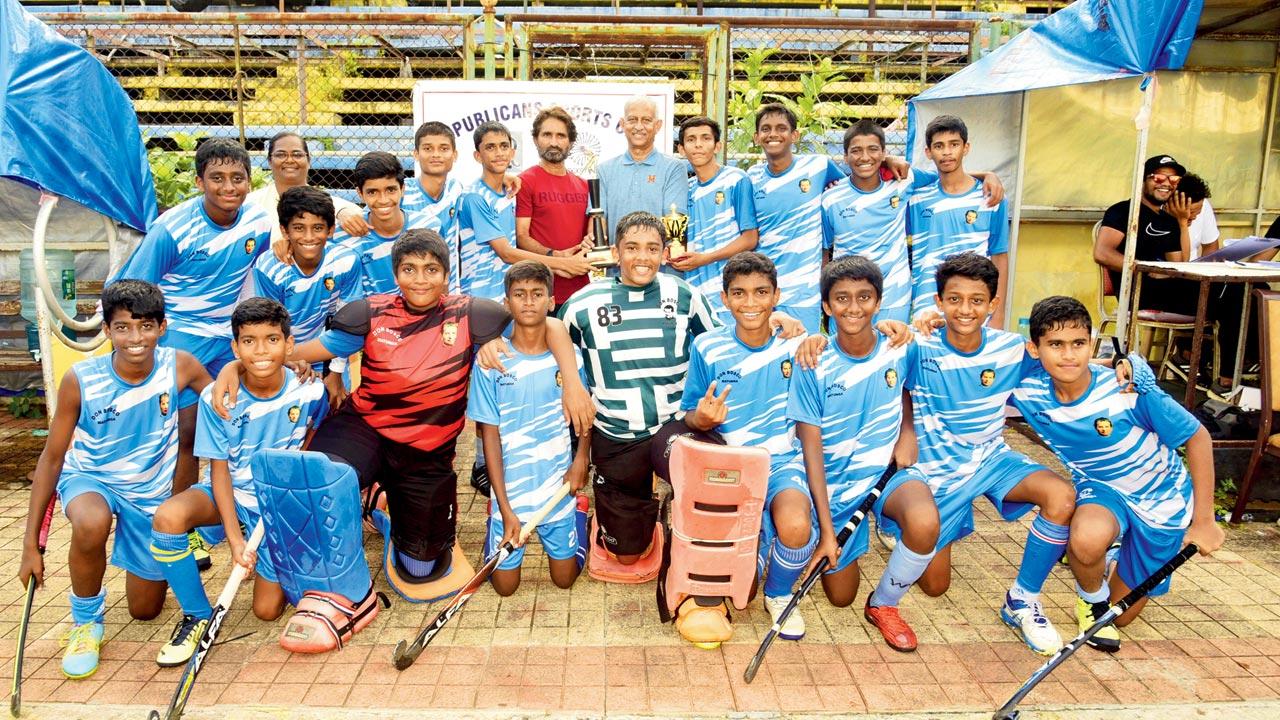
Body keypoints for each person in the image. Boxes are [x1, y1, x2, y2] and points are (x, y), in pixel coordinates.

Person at [213, 230, 591, 602]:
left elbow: (548, 324)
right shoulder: (371, 312)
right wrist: (236, 367)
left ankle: (381, 502)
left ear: (446, 275)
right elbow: (310, 350)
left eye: (431, 269)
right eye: (409, 269)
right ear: (396, 275)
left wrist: (572, 382)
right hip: (365, 429)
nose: (420, 279)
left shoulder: (472, 314)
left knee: (422, 568)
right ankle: (348, 552)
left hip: (427, 449)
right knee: (320, 480)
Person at [18, 281, 211, 679]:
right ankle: (86, 623)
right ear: (106, 330)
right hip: (91, 479)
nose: (135, 338)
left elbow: (228, 393)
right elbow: (52, 458)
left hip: (150, 496)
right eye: (122, 327)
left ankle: (143, 570)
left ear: (162, 326)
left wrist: (292, 369)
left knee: (145, 610)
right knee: (91, 522)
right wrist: (29, 545)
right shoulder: (81, 379)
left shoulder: (181, 365)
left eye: (145, 326)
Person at [1011, 296, 1224, 652]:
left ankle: (1111, 558)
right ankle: (1090, 597)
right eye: (1055, 345)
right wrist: (935, 322)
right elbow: (975, 347)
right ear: (1035, 348)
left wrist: (1203, 520)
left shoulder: (1128, 389)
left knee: (1121, 614)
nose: (1068, 355)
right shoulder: (1027, 388)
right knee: (1086, 540)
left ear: (1092, 344)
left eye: (1078, 344)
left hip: (1163, 503)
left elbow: (1198, 437)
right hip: (1103, 490)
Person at [904, 253, 1076, 657]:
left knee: (1061, 496)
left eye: (977, 300)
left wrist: (1124, 368)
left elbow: (1068, 365)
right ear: (939, 301)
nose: (966, 309)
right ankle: (910, 524)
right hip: (939, 472)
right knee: (934, 587)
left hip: (993, 459)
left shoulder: (1011, 350)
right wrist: (906, 433)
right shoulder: (919, 346)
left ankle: (1023, 598)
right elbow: (895, 386)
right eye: (955, 299)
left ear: (993, 304)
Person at [111, 137, 272, 566]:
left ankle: (222, 522)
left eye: (237, 178)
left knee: (239, 429)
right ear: (200, 181)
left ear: (249, 181)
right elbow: (134, 291)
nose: (228, 187)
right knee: (187, 436)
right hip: (180, 340)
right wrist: (139, 348)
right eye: (216, 178)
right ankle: (179, 528)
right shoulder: (173, 228)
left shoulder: (258, 221)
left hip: (229, 341)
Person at [150, 298, 327, 667]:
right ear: (235, 347)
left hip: (276, 506)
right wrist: (236, 540)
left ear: (289, 344)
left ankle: (271, 554)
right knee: (168, 518)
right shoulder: (218, 398)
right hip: (228, 492)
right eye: (248, 341)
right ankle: (197, 616)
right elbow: (219, 471)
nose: (261, 350)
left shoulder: (310, 390)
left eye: (272, 340)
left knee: (265, 610)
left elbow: (317, 437)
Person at [788, 255, 940, 652]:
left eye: (864, 297)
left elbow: (907, 386)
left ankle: (885, 604)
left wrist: (907, 431)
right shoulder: (812, 361)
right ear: (826, 307)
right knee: (840, 596)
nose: (853, 308)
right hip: (836, 486)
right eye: (842, 299)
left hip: (888, 474)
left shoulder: (899, 347)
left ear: (879, 302)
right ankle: (835, 544)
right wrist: (824, 528)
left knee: (924, 523)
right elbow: (810, 449)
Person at [557, 212, 719, 570]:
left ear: (664, 253)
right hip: (617, 432)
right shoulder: (584, 303)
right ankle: (624, 514)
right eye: (632, 247)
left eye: (651, 248)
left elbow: (724, 345)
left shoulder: (685, 296)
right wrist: (571, 384)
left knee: (706, 494)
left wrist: (775, 321)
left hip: (674, 427)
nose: (642, 257)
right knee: (629, 556)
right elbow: (548, 339)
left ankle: (674, 503)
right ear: (616, 252)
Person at [678, 252, 815, 638]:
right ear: (724, 298)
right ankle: (751, 546)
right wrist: (702, 420)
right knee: (727, 571)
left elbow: (832, 345)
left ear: (776, 296)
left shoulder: (796, 345)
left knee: (795, 524)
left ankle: (780, 594)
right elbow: (689, 413)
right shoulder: (707, 346)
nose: (750, 303)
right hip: (728, 466)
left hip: (781, 462)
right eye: (739, 293)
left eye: (761, 293)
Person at [468, 261, 591, 596]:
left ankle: (580, 516)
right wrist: (505, 508)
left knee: (564, 580)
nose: (529, 302)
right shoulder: (491, 363)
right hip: (511, 493)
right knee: (505, 588)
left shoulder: (569, 359)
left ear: (551, 301)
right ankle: (492, 525)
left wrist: (581, 461)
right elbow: (489, 436)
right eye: (519, 295)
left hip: (557, 489)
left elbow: (585, 416)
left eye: (538, 294)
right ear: (507, 302)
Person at [823, 120, 1005, 325]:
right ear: (845, 156)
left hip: (895, 296)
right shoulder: (831, 198)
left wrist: (988, 175)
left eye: (873, 150)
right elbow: (822, 253)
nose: (865, 156)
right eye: (856, 151)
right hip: (848, 297)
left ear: (883, 153)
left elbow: (948, 174)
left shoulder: (904, 182)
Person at [250, 186, 362, 411]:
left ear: (330, 230)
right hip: (282, 357)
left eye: (318, 228)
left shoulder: (346, 261)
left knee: (333, 414)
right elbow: (268, 329)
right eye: (299, 228)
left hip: (331, 355)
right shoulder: (269, 268)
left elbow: (347, 327)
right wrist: (288, 363)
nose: (309, 237)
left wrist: (335, 372)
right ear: (284, 230)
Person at [908, 115, 1010, 328]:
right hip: (928, 303)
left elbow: (999, 255)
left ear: (966, 148)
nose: (946, 152)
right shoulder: (915, 199)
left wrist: (998, 316)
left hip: (973, 302)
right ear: (928, 152)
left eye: (954, 144)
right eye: (939, 146)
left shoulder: (991, 197)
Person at [670, 116, 758, 323]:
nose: (698, 144)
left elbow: (750, 238)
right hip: (694, 293)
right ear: (682, 149)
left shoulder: (736, 179)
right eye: (691, 139)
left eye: (705, 138)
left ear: (717, 146)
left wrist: (706, 258)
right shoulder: (685, 189)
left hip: (729, 292)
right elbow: (678, 238)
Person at [1093, 154, 1194, 313]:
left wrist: (1182, 223)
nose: (1167, 183)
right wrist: (1148, 269)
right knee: (1222, 295)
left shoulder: (1169, 221)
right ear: (1143, 180)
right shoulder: (1123, 211)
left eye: (1174, 179)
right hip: (1138, 293)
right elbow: (1102, 253)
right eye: (1159, 177)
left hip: (1171, 290)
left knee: (1231, 293)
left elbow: (1180, 265)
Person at [516, 106, 594, 308]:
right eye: (547, 135)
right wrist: (555, 256)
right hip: (538, 294)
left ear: (571, 142)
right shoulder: (524, 182)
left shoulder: (585, 185)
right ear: (535, 139)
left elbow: (590, 236)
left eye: (561, 136)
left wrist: (589, 244)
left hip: (580, 291)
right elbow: (521, 237)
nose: (553, 142)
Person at [330, 151, 431, 298]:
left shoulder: (429, 226)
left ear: (402, 189)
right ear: (360, 193)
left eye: (390, 190)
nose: (383, 200)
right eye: (372, 192)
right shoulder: (343, 235)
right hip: (366, 317)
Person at [597, 96, 688, 243]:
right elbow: (598, 220)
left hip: (660, 263)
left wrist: (665, 252)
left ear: (658, 125)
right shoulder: (604, 170)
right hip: (618, 263)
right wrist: (596, 243)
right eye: (632, 119)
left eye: (646, 120)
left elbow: (674, 223)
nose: (639, 126)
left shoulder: (674, 168)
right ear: (622, 124)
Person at [244, 131, 358, 246]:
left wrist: (340, 211)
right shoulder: (250, 204)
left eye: (297, 155)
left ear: (308, 161)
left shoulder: (340, 208)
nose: (289, 160)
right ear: (269, 161)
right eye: (281, 155)